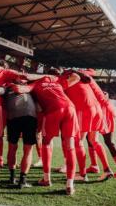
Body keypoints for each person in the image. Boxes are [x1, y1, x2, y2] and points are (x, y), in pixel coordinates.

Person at [12, 68, 80, 196]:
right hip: (70, 108)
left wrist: (11, 85)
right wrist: (68, 71)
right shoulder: (56, 80)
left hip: (53, 111)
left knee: (46, 143)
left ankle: (46, 179)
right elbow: (77, 77)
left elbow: (20, 89)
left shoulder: (36, 83)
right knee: (70, 146)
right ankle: (70, 184)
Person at [61, 70, 110, 182]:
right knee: (94, 140)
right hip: (96, 109)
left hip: (84, 109)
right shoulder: (82, 78)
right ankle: (107, 170)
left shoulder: (65, 78)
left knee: (79, 141)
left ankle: (82, 175)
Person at [3, 79, 38, 188]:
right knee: (23, 149)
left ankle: (15, 178)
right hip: (27, 118)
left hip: (19, 118)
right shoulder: (11, 86)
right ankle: (18, 179)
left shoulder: (7, 86)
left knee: (15, 148)